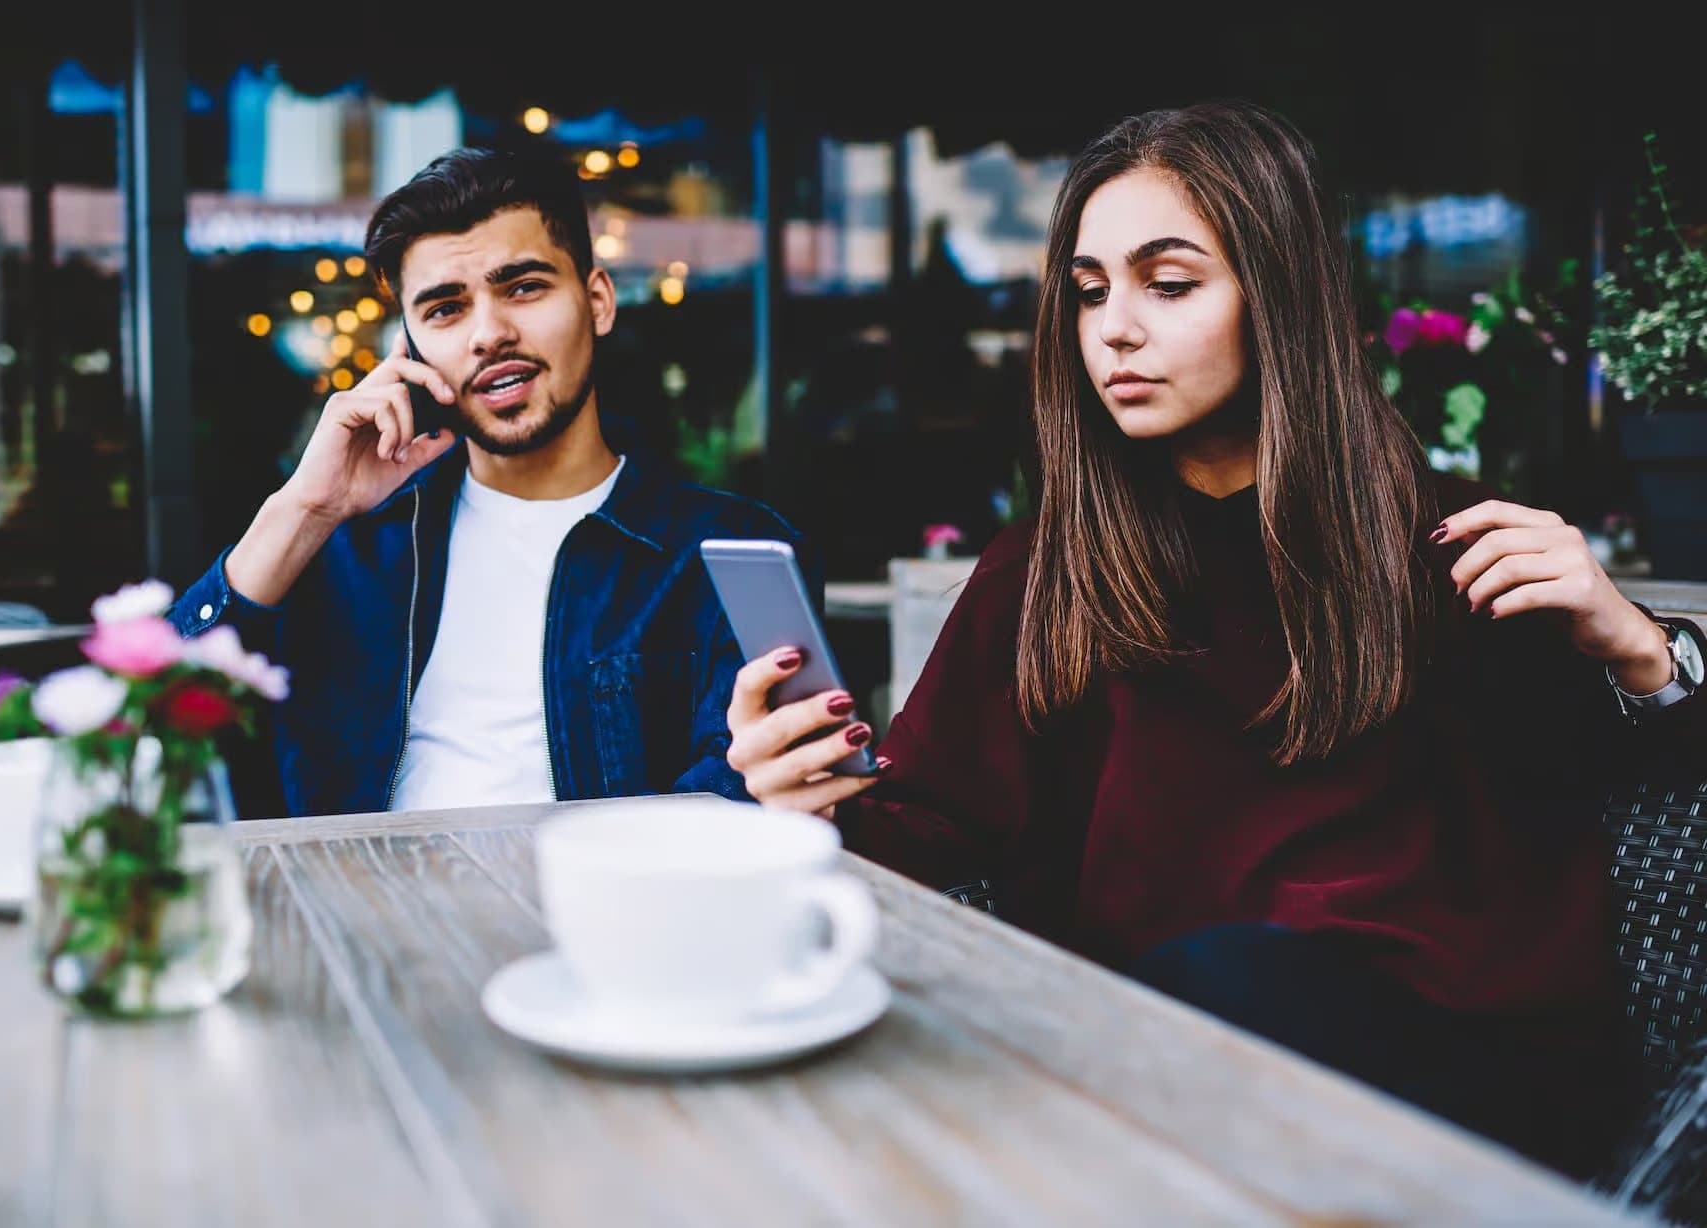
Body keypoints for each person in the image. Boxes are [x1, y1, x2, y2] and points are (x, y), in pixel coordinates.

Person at [723, 101, 1706, 1175]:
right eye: (1088, 291)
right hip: (1150, 1066)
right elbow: (929, 829)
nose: (1113, 329)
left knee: (1222, 985)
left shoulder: (1453, 543)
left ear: (1277, 297)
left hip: (1449, 1063)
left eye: (1170, 282)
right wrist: (811, 798)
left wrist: (1640, 652)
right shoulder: (1047, 571)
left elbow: (1626, 802)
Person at [170, 144, 806, 817]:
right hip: (368, 911)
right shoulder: (345, 546)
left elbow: (753, 787)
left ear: (597, 302)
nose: (489, 334)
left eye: (524, 288)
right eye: (445, 309)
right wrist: (305, 506)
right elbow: (159, 736)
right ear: (410, 352)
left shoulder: (731, 551)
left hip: (603, 911)